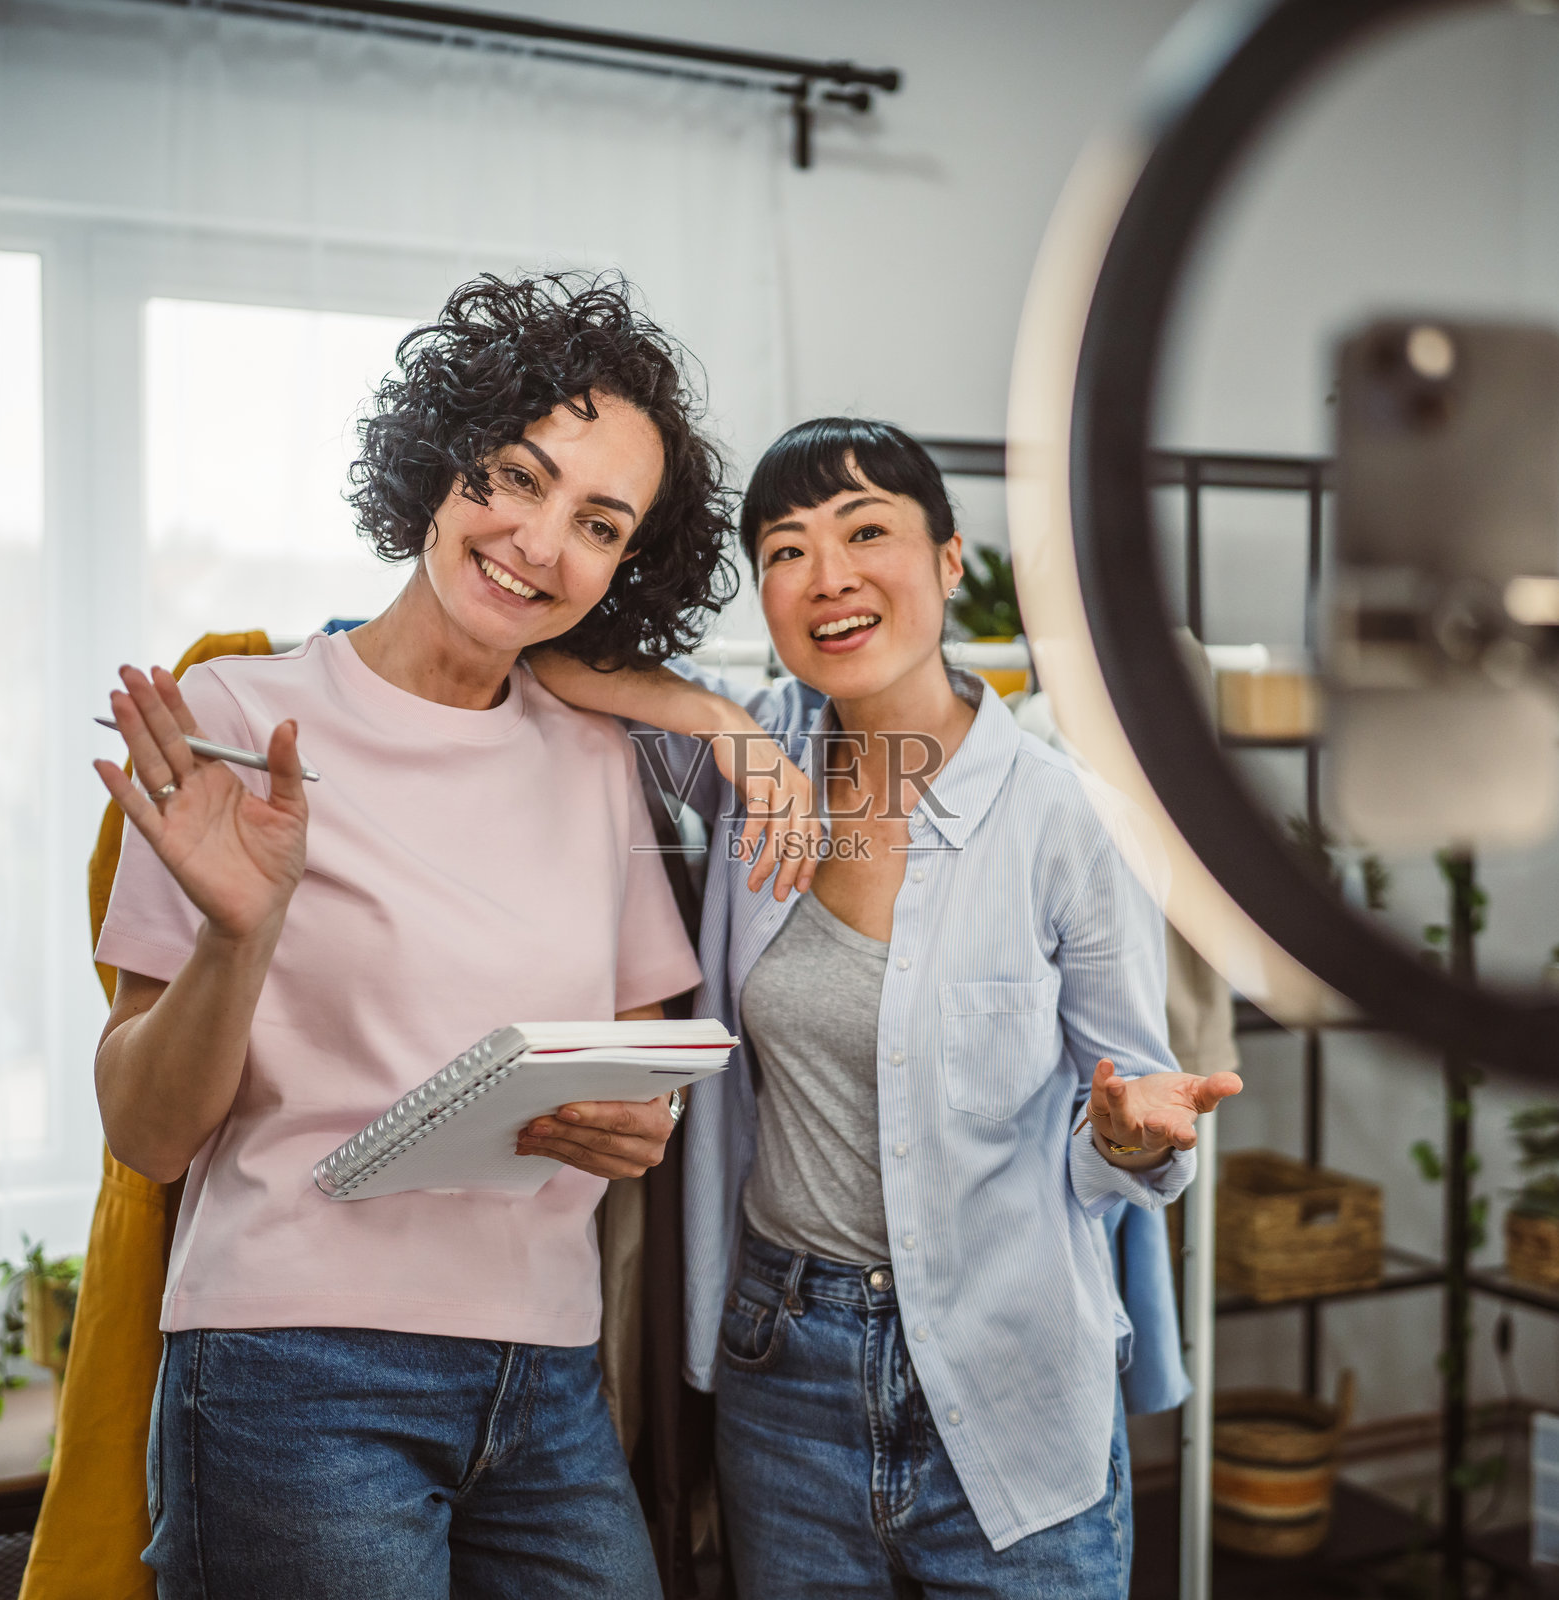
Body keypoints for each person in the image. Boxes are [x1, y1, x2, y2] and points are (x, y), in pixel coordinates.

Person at [90, 273, 784, 1600]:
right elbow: (146, 1134)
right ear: (440, 463)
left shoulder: (595, 758)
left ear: (626, 566)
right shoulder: (238, 714)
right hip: (295, 1364)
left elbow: (639, 1064)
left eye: (597, 522)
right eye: (512, 479)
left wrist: (641, 1125)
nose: (536, 541)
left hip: (547, 1372)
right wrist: (242, 935)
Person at [530, 417, 1243, 1600]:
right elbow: (540, 653)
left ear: (951, 560)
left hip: (1013, 1363)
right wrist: (722, 730)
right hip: (783, 1363)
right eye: (786, 550)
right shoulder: (752, 754)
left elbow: (1133, 1114)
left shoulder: (1066, 818)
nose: (830, 576)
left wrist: (1126, 1134)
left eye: (868, 532)